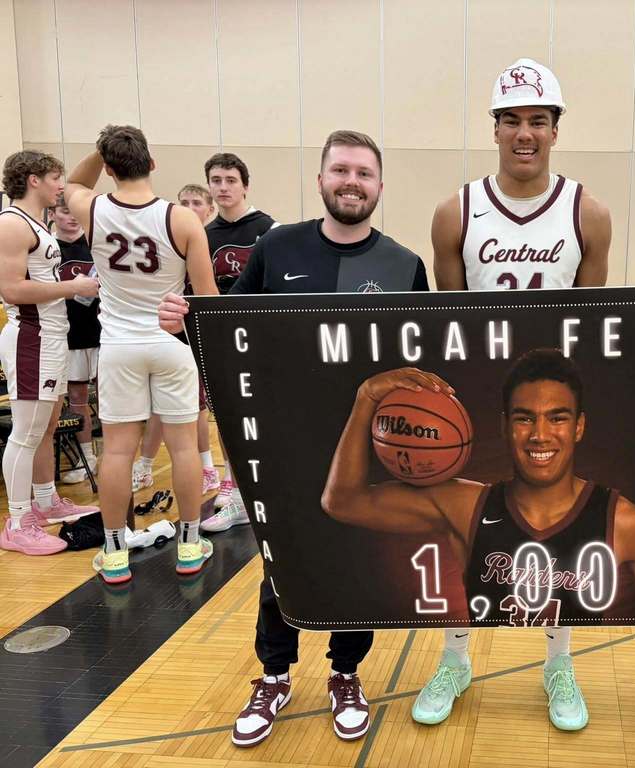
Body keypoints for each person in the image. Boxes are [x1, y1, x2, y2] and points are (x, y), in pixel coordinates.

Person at [158, 130, 427, 748]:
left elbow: (423, 359)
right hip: (284, 437)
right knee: (282, 561)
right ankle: (275, 673)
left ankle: (346, 673)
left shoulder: (404, 264)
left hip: (370, 446)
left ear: (380, 186)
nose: (351, 182)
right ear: (321, 179)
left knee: (357, 560)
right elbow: (229, 326)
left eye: (363, 173)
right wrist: (185, 322)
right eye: (340, 170)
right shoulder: (278, 248)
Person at [321, 350, 635, 730]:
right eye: (525, 418)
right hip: (468, 606)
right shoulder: (465, 503)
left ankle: (558, 665)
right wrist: (365, 399)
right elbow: (342, 501)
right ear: (506, 426)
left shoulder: (625, 520)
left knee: (562, 568)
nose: (540, 434)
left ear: (578, 426)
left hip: (583, 585)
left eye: (557, 418)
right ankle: (454, 664)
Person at [425, 56, 613, 732]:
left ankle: (557, 663)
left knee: (557, 532)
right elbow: (451, 322)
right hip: (479, 396)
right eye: (512, 121)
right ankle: (455, 658)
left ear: (556, 131)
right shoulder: (456, 212)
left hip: (546, 400)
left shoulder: (588, 212)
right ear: (495, 128)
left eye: (539, 121)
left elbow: (587, 329)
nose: (525, 133)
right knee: (461, 535)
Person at [63, 125, 218, 583]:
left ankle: (114, 555)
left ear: (109, 168)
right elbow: (207, 299)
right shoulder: (183, 219)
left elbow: (73, 183)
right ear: (152, 163)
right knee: (185, 446)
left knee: (117, 454)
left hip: (118, 348)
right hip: (170, 343)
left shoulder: (92, 208)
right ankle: (190, 545)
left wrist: (101, 151)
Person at [0, 151, 100, 555]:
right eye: (56, 176)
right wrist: (72, 286)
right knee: (25, 432)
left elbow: (82, 180)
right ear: (33, 179)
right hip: (31, 336)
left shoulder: (36, 223)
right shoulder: (10, 223)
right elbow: (10, 290)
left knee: (46, 424)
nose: (63, 184)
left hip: (52, 335)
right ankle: (17, 521)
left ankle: (45, 501)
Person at [195, 153, 278, 529]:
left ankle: (264, 483)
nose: (223, 187)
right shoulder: (202, 235)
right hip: (219, 338)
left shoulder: (271, 230)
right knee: (226, 414)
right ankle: (234, 482)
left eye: (230, 179)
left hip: (259, 338)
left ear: (245, 185)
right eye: (216, 180)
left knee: (263, 414)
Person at [133, 184, 220, 496]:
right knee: (161, 407)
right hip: (164, 334)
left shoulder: (207, 240)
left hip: (198, 334)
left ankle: (208, 467)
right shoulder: (168, 242)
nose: (190, 207)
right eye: (183, 202)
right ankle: (144, 465)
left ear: (209, 209)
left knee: (198, 409)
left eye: (197, 202)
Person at [52, 195, 101, 484]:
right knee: (78, 399)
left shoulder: (96, 245)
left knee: (110, 398)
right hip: (67, 336)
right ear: (54, 213)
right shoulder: (48, 249)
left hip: (102, 333)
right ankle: (87, 457)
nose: (70, 217)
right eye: (63, 211)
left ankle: (120, 459)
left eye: (74, 212)